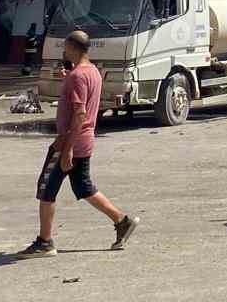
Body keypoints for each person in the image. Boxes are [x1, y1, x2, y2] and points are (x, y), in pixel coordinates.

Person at [19, 29, 140, 256]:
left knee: (47, 189)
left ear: (73, 48)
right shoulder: (92, 71)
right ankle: (122, 221)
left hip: (69, 142)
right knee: (83, 187)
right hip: (85, 140)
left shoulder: (77, 76)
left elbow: (79, 114)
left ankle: (44, 242)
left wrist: (67, 151)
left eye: (65, 47)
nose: (63, 51)